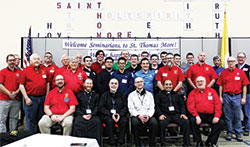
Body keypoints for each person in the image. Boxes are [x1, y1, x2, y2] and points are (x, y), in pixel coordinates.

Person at [217, 56, 249, 141]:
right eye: (229, 61)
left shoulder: (241, 72)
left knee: (237, 116)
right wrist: (220, 97)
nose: (231, 63)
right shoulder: (223, 72)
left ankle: (238, 133)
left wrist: (244, 97)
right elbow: (220, 85)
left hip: (237, 96)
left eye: (232, 61)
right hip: (226, 96)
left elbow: (245, 86)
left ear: (235, 62)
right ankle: (229, 132)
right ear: (227, 63)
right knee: (227, 116)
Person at [187, 76, 224, 147]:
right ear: (195, 83)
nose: (200, 83)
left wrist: (217, 116)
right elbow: (190, 106)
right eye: (198, 81)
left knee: (220, 123)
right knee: (192, 120)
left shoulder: (212, 91)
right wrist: (196, 116)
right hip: (198, 115)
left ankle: (210, 142)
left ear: (205, 82)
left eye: (201, 81)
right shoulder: (192, 93)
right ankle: (198, 141)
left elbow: (218, 104)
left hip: (210, 115)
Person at [19, 53, 51, 134]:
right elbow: (21, 85)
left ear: (40, 60)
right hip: (31, 98)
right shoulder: (25, 71)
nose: (36, 60)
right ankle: (30, 136)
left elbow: (47, 83)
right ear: (30, 61)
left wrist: (47, 96)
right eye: (34, 59)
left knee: (41, 119)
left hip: (43, 98)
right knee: (30, 119)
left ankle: (39, 136)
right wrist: (26, 98)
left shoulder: (44, 70)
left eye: (38, 59)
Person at [155, 79, 190, 147]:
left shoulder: (177, 95)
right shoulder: (159, 95)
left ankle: (186, 143)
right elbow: (157, 106)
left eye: (170, 84)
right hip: (165, 115)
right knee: (161, 123)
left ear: (172, 85)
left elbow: (182, 105)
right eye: (166, 84)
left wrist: (183, 113)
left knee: (186, 122)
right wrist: (160, 114)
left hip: (176, 115)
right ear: (163, 85)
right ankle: (162, 143)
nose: (168, 86)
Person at [128, 77, 158, 146]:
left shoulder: (149, 94)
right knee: (134, 123)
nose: (139, 83)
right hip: (137, 115)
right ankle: (137, 143)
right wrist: (139, 116)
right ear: (135, 84)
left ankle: (152, 143)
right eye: (137, 82)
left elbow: (152, 107)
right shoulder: (131, 95)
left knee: (154, 123)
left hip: (147, 114)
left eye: (141, 82)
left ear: (143, 83)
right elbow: (131, 108)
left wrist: (148, 115)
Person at [99, 78, 128, 146]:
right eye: (112, 83)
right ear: (109, 85)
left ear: (118, 85)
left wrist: (119, 114)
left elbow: (125, 107)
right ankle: (111, 141)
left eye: (115, 83)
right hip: (108, 115)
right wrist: (110, 114)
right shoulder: (104, 95)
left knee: (124, 121)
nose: (114, 85)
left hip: (119, 115)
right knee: (109, 121)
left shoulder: (122, 95)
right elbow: (101, 108)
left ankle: (120, 141)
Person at [72, 78, 102, 145]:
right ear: (84, 84)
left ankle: (95, 144)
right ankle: (79, 144)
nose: (89, 85)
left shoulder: (96, 95)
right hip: (82, 115)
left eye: (90, 83)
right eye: (87, 83)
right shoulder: (79, 95)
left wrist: (92, 114)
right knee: (77, 122)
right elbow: (77, 107)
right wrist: (83, 115)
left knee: (97, 122)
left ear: (93, 85)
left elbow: (97, 107)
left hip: (93, 115)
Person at [0, 54, 21, 133]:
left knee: (14, 118)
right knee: (2, 119)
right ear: (7, 61)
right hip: (4, 100)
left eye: (13, 60)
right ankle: (2, 137)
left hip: (16, 100)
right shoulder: (2, 72)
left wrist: (16, 92)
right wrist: (9, 93)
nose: (12, 62)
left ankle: (12, 135)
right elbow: (0, 85)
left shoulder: (19, 72)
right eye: (10, 60)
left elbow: (21, 85)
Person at [236, 52, 250, 136]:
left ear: (245, 58)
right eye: (239, 57)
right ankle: (237, 128)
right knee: (236, 112)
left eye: (242, 57)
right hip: (236, 93)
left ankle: (247, 128)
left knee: (246, 112)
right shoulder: (234, 67)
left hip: (247, 93)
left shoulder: (248, 68)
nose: (240, 59)